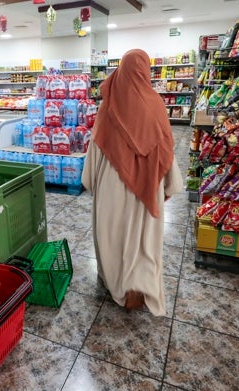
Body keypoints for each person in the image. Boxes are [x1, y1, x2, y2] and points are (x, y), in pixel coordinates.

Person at [82, 48, 183, 315]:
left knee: (111, 234)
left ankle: (112, 280)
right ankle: (137, 287)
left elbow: (95, 151)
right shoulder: (156, 105)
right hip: (146, 187)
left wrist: (92, 179)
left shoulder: (108, 105)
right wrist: (167, 183)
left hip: (111, 186)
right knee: (143, 240)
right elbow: (166, 149)